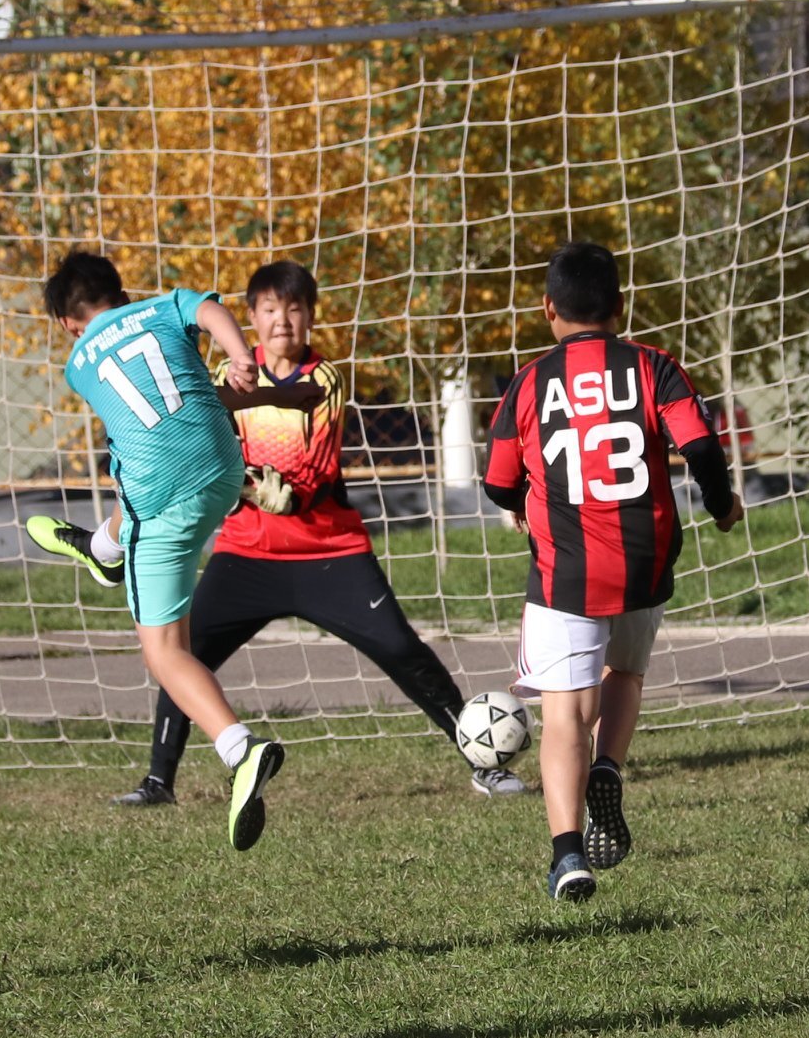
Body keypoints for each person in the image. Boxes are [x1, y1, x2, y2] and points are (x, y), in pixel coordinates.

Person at [86, 260, 526, 807]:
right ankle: (158, 782)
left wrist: (241, 480)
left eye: (294, 309)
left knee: (401, 649)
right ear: (249, 317)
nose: (282, 321)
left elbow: (305, 485)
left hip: (327, 553)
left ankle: (481, 762)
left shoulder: (323, 380)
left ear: (311, 317)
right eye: (270, 309)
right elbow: (198, 445)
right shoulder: (220, 378)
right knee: (183, 653)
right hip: (245, 552)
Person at [481, 242, 743, 902]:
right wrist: (720, 504)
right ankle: (609, 764)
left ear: (547, 309)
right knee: (623, 673)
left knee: (564, 710)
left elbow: (495, 480)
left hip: (567, 570)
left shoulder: (530, 380)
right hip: (644, 560)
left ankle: (567, 855)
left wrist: (519, 506)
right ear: (619, 306)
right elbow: (702, 449)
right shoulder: (654, 366)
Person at [23, 251, 304, 851]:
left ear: (71, 324)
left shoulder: (79, 363)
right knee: (150, 456)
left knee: (165, 654)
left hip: (158, 500)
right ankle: (101, 546)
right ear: (119, 293)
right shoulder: (160, 306)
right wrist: (240, 357)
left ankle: (240, 749)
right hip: (225, 469)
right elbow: (208, 310)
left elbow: (144, 415)